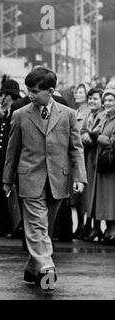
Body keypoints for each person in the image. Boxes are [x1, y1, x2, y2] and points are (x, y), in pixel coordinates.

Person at [3, 67, 87, 291]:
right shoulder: (20, 115)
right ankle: (47, 271)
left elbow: (76, 149)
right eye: (27, 89)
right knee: (37, 228)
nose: (29, 94)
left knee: (45, 230)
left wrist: (80, 177)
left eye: (34, 90)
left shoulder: (68, 115)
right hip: (29, 179)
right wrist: (7, 181)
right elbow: (12, 150)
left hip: (58, 181)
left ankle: (32, 269)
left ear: (50, 91)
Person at [0, 79, 22, 238]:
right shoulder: (5, 114)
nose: (2, 99)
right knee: (1, 196)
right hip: (1, 161)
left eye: (4, 95)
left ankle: (13, 226)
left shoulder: (16, 113)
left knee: (11, 196)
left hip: (11, 161)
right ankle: (4, 225)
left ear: (9, 97)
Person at [87, 88, 115, 245]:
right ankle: (109, 230)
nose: (108, 103)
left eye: (111, 100)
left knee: (111, 200)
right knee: (105, 200)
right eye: (106, 100)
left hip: (110, 165)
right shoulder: (105, 117)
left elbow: (112, 140)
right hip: (102, 165)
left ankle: (112, 232)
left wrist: (98, 137)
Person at [80, 88, 104, 242]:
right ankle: (88, 226)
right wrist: (85, 136)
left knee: (96, 194)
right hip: (88, 158)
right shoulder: (88, 115)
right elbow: (82, 131)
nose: (91, 101)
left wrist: (88, 136)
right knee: (88, 194)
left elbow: (96, 134)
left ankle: (95, 227)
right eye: (90, 98)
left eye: (95, 99)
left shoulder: (103, 116)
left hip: (98, 159)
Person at [72, 82, 91, 240]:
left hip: (86, 155)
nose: (77, 94)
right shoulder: (75, 111)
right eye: (76, 91)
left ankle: (87, 225)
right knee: (77, 195)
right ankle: (80, 224)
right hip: (77, 156)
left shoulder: (89, 113)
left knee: (85, 193)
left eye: (81, 91)